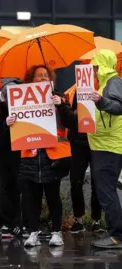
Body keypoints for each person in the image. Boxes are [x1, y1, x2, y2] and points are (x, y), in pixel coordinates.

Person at [6, 65, 71, 248]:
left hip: (53, 155)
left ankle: (56, 232)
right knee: (30, 197)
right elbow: (13, 126)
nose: (42, 78)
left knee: (53, 196)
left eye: (45, 75)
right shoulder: (21, 98)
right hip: (30, 154)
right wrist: (8, 122)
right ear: (31, 80)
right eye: (38, 76)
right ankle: (33, 232)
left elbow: (70, 122)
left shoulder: (60, 96)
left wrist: (60, 105)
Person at [86, 50, 122, 249]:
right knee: (106, 191)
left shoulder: (113, 82)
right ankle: (116, 233)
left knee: (106, 191)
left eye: (94, 66)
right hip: (103, 145)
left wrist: (100, 101)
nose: (92, 69)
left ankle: (117, 235)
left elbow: (118, 107)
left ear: (102, 66)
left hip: (109, 146)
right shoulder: (104, 84)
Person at [57, 83, 104, 234]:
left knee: (98, 183)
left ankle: (97, 220)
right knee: (75, 181)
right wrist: (74, 113)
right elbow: (66, 120)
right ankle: (79, 220)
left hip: (98, 141)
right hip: (78, 142)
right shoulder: (74, 91)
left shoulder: (104, 88)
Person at [0, 77, 31, 239]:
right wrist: (4, 124)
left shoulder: (28, 101)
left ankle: (20, 222)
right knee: (6, 186)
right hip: (5, 152)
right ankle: (7, 222)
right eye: (6, 94)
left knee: (22, 186)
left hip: (23, 151)